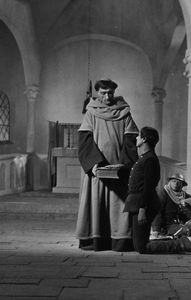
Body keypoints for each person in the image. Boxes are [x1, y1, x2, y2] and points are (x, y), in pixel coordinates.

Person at [75, 79, 139, 252]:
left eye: (110, 92)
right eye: (103, 92)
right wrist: (95, 164)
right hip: (98, 169)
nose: (107, 96)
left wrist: (124, 166)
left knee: (118, 204)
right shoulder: (91, 112)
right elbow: (85, 141)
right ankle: (96, 240)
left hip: (118, 168)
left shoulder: (124, 112)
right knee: (97, 203)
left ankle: (119, 241)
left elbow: (130, 142)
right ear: (97, 93)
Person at [123, 127, 191, 255]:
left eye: (139, 136)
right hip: (137, 204)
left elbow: (148, 186)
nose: (136, 138)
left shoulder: (150, 159)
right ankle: (178, 242)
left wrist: (143, 209)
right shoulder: (145, 158)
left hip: (142, 205)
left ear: (144, 139)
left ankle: (179, 244)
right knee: (139, 244)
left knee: (141, 248)